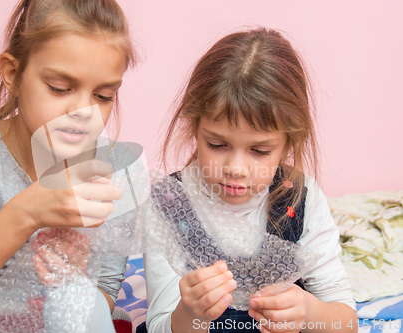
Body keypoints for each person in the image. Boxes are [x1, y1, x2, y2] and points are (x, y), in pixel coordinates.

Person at [0, 0, 136, 332]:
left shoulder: (114, 168)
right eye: (60, 89)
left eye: (103, 96)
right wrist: (26, 211)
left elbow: (103, 300)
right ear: (13, 75)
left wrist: (73, 279)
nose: (84, 112)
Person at [142, 28, 358, 333]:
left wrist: (309, 313)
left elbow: (346, 323)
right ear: (195, 129)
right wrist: (191, 314)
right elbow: (161, 326)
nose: (235, 168)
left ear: (288, 145)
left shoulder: (301, 199)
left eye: (259, 150)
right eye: (217, 145)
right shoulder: (169, 205)